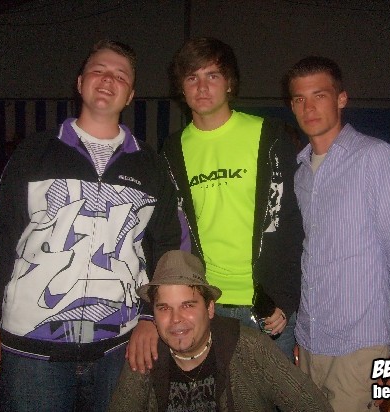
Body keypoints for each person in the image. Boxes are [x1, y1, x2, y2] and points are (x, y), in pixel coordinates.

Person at [0, 39, 181, 411]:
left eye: (120, 76)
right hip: (32, 347)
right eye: (98, 71)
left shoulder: (151, 165)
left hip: (121, 346)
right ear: (80, 83)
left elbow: (171, 246)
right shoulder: (34, 152)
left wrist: (152, 316)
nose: (108, 80)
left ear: (131, 95)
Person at [130, 37, 303, 370]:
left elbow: (292, 221)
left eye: (212, 75)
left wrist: (285, 296)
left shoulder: (269, 136)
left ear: (229, 83)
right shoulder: (173, 151)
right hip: (207, 305)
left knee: (275, 395)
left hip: (268, 308)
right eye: (192, 77)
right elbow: (167, 231)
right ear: (181, 88)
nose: (202, 87)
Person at [284, 56, 390, 412]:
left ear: (341, 99)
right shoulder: (301, 173)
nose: (308, 107)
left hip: (360, 344)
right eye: (299, 99)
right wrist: (303, 334)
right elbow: (310, 257)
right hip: (311, 342)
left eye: (319, 95)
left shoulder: (374, 158)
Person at [109, 250, 332, 412]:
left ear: (210, 308)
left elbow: (312, 405)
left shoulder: (250, 348)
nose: (176, 319)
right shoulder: (146, 355)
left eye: (188, 305)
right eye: (164, 308)